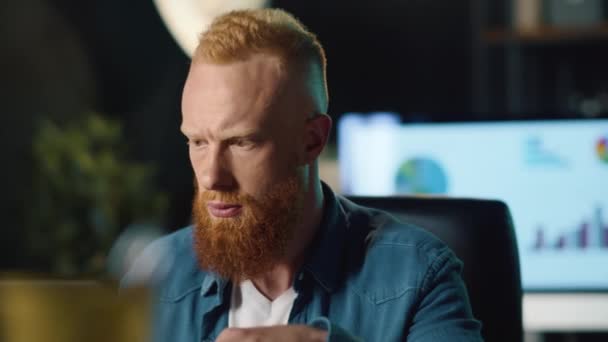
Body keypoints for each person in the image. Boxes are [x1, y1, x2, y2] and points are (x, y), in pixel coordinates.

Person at [123, 8, 482, 342]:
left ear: (312, 141)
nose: (211, 177)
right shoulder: (153, 279)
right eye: (198, 142)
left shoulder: (417, 275)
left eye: (242, 142)